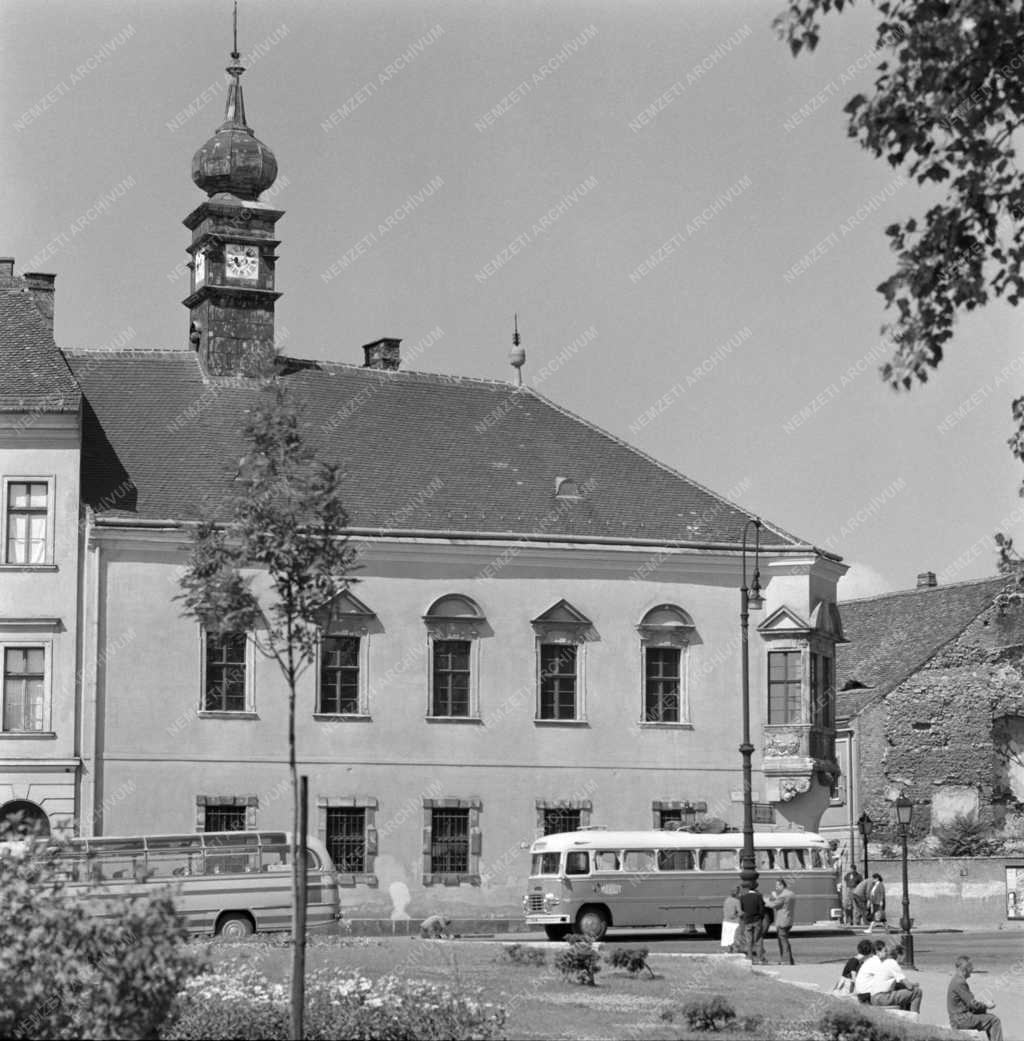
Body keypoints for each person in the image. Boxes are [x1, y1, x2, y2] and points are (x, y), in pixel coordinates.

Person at [855, 941, 922, 1012]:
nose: (886, 953)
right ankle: (913, 1017)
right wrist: (914, 985)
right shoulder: (880, 962)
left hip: (869, 995)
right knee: (917, 992)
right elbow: (908, 986)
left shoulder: (882, 962)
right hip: (870, 996)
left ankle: (905, 1014)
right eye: (885, 951)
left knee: (901, 989)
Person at [947, 955, 1003, 1041]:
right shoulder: (960, 983)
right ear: (965, 969)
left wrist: (983, 1008)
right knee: (994, 1020)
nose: (972, 970)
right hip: (961, 1020)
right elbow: (973, 1005)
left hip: (958, 1018)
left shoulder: (956, 980)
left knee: (986, 1016)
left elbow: (970, 1005)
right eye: (971, 967)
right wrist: (987, 1005)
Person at [766, 877, 796, 965]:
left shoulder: (783, 895)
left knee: (782, 941)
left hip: (782, 920)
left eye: (777, 885)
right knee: (785, 940)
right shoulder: (791, 894)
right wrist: (776, 897)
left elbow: (774, 905)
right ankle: (789, 959)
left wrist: (766, 901)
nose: (776, 887)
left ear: (782, 885)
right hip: (789, 920)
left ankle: (786, 960)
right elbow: (783, 904)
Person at [738, 882, 767, 963]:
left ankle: (750, 958)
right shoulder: (758, 896)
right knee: (758, 939)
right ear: (755, 889)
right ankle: (760, 958)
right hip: (757, 920)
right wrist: (761, 917)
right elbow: (762, 909)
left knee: (749, 940)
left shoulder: (743, 897)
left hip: (747, 920)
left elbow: (742, 908)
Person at [720, 885, 741, 953]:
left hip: (726, 922)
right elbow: (740, 912)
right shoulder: (736, 901)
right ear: (736, 892)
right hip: (734, 922)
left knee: (727, 939)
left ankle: (729, 951)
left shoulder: (726, 900)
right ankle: (735, 952)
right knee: (734, 939)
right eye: (738, 892)